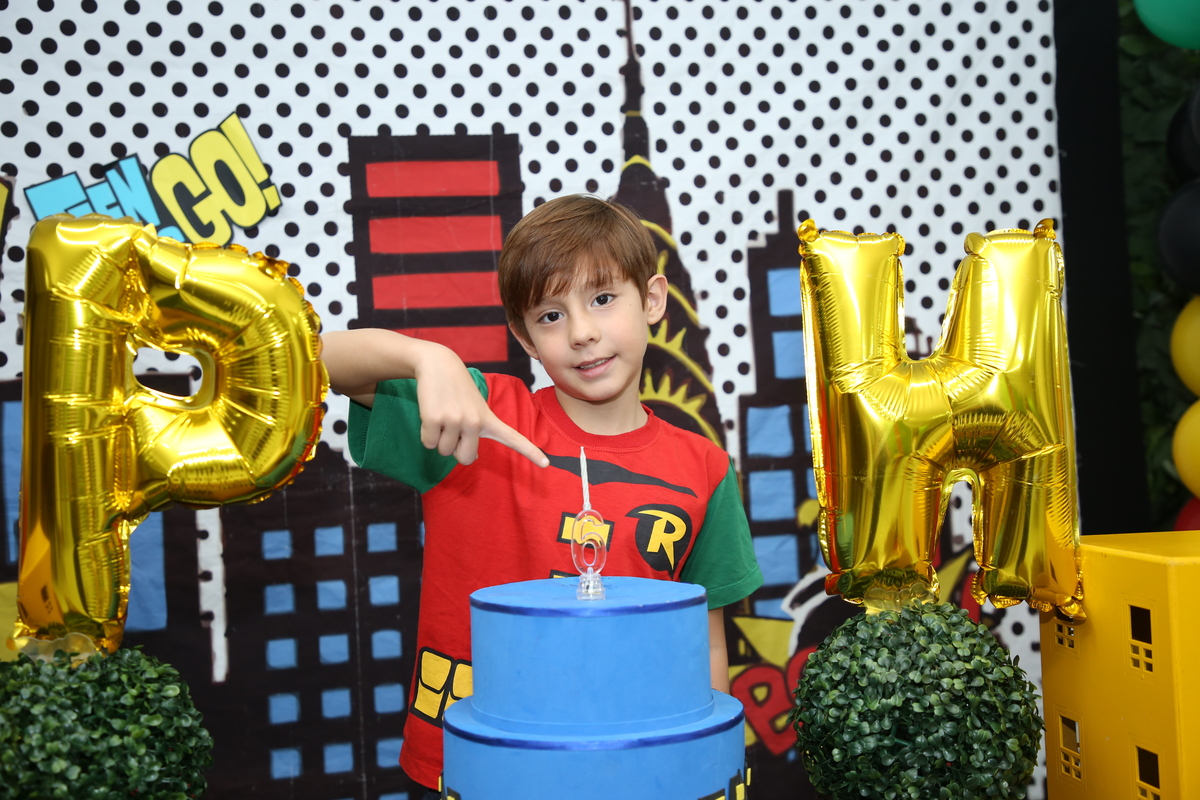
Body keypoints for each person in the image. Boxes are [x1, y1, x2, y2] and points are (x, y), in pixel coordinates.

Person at [321, 194, 763, 796]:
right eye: (551, 315)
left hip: (634, 771)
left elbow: (704, 641)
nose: (582, 333)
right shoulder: (482, 417)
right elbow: (314, 357)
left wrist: (704, 766)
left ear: (653, 299)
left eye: (602, 299)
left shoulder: (703, 467)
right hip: (478, 767)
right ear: (525, 338)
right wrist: (427, 358)